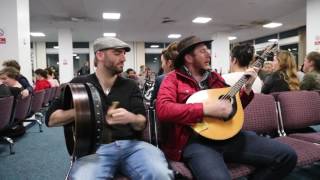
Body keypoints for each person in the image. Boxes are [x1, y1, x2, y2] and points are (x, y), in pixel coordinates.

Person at [156, 36, 297, 180]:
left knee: (287, 156)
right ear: (188, 58)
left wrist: (247, 89)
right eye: (202, 51)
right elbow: (163, 109)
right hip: (196, 142)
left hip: (229, 136)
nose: (209, 54)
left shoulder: (215, 77)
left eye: (207, 50)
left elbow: (232, 105)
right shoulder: (172, 79)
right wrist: (205, 109)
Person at [45, 36, 173, 180]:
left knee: (160, 174)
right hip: (94, 150)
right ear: (100, 55)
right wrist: (85, 110)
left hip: (132, 147)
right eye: (117, 53)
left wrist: (130, 117)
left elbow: (141, 122)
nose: (124, 58)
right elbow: (50, 119)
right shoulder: (79, 84)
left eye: (124, 54)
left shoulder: (130, 85)